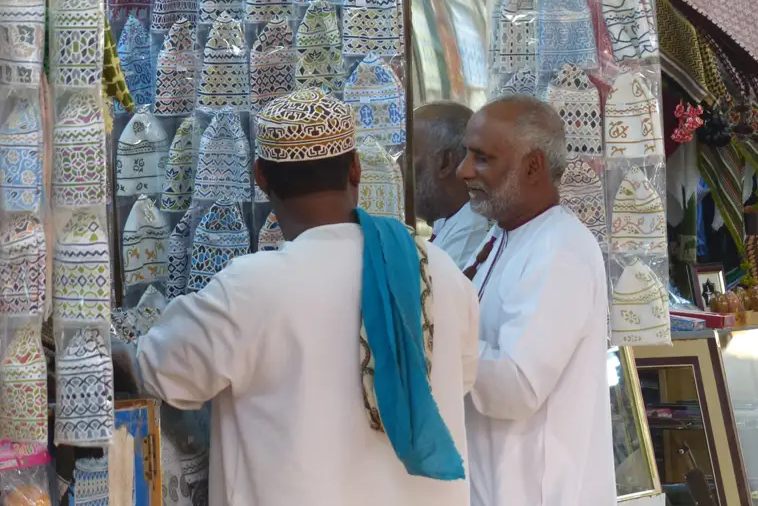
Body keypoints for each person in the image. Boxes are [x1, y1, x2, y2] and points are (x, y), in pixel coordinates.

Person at [113, 89, 479, 506]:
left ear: (260, 177)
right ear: (356, 168)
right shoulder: (436, 271)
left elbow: (155, 370)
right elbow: (462, 377)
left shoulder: (250, 291)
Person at [458, 95, 615, 506]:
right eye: (465, 155)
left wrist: (428, 339)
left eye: (482, 158)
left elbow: (516, 385)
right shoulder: (503, 237)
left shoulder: (559, 250)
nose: (464, 171)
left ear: (532, 167)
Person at [414, 101, 490, 269]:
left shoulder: (469, 233)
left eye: (408, 154)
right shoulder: (448, 223)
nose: (398, 165)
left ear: (445, 162)